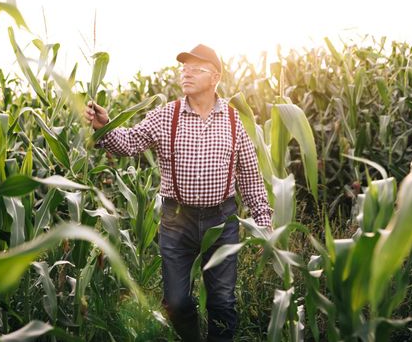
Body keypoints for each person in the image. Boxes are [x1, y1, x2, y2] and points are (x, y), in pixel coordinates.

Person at [85, 44, 272, 342]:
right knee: (176, 302)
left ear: (214, 78)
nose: (186, 73)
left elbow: (250, 178)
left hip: (221, 222)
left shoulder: (236, 122)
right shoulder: (165, 116)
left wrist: (263, 224)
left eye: (195, 69)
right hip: (177, 221)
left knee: (222, 302)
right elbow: (130, 143)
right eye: (184, 68)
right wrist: (105, 128)